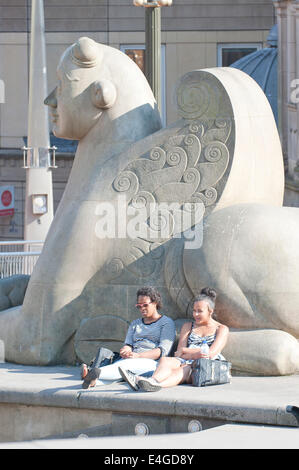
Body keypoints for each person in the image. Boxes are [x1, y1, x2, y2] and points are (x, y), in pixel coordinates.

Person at [120, 287, 229, 392]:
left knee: (185, 368)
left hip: (205, 365)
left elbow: (209, 354)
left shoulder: (221, 329)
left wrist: (186, 351)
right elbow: (178, 353)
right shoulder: (188, 326)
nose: (195, 314)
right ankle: (151, 381)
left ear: (210, 311)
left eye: (199, 311)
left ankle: (156, 385)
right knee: (165, 360)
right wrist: (191, 353)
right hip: (185, 359)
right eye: (194, 310)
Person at [81, 286, 176, 389]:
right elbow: (128, 344)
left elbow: (162, 351)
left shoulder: (166, 323)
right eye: (139, 306)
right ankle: (93, 381)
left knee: (123, 367)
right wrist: (126, 350)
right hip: (131, 359)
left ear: (155, 303)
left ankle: (93, 372)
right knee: (122, 371)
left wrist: (138, 356)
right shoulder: (135, 323)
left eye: (145, 305)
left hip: (152, 363)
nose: (142, 309)